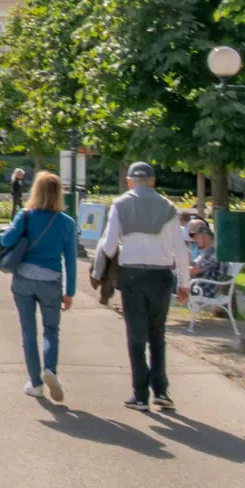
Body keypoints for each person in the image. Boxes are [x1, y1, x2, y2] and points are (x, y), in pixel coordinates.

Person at [92, 162, 191, 412]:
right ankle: (161, 390)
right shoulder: (168, 207)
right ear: (153, 181)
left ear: (129, 182)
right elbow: (180, 248)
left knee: (136, 336)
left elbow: (110, 244)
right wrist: (185, 283)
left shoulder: (121, 204)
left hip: (133, 275)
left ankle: (140, 394)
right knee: (157, 334)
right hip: (161, 276)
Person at [0, 171, 78, 400]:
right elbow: (70, 260)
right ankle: (50, 368)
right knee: (51, 330)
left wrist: (6, 232)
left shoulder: (26, 215)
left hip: (23, 280)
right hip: (52, 282)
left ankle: (36, 383)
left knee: (28, 332)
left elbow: (7, 240)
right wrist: (69, 292)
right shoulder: (67, 223)